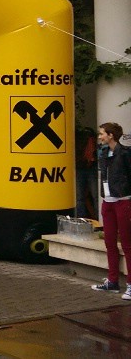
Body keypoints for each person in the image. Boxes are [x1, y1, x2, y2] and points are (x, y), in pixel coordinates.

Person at [91, 122, 131, 300]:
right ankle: (113, 281)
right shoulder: (103, 152)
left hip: (123, 201)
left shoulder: (125, 153)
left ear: (111, 135)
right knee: (109, 242)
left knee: (127, 244)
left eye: (102, 134)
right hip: (107, 202)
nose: (100, 137)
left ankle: (130, 285)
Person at [75, 127, 98, 219]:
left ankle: (81, 218)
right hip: (91, 167)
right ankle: (98, 217)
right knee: (95, 196)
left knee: (79, 196)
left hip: (80, 167)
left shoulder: (78, 140)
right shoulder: (93, 140)